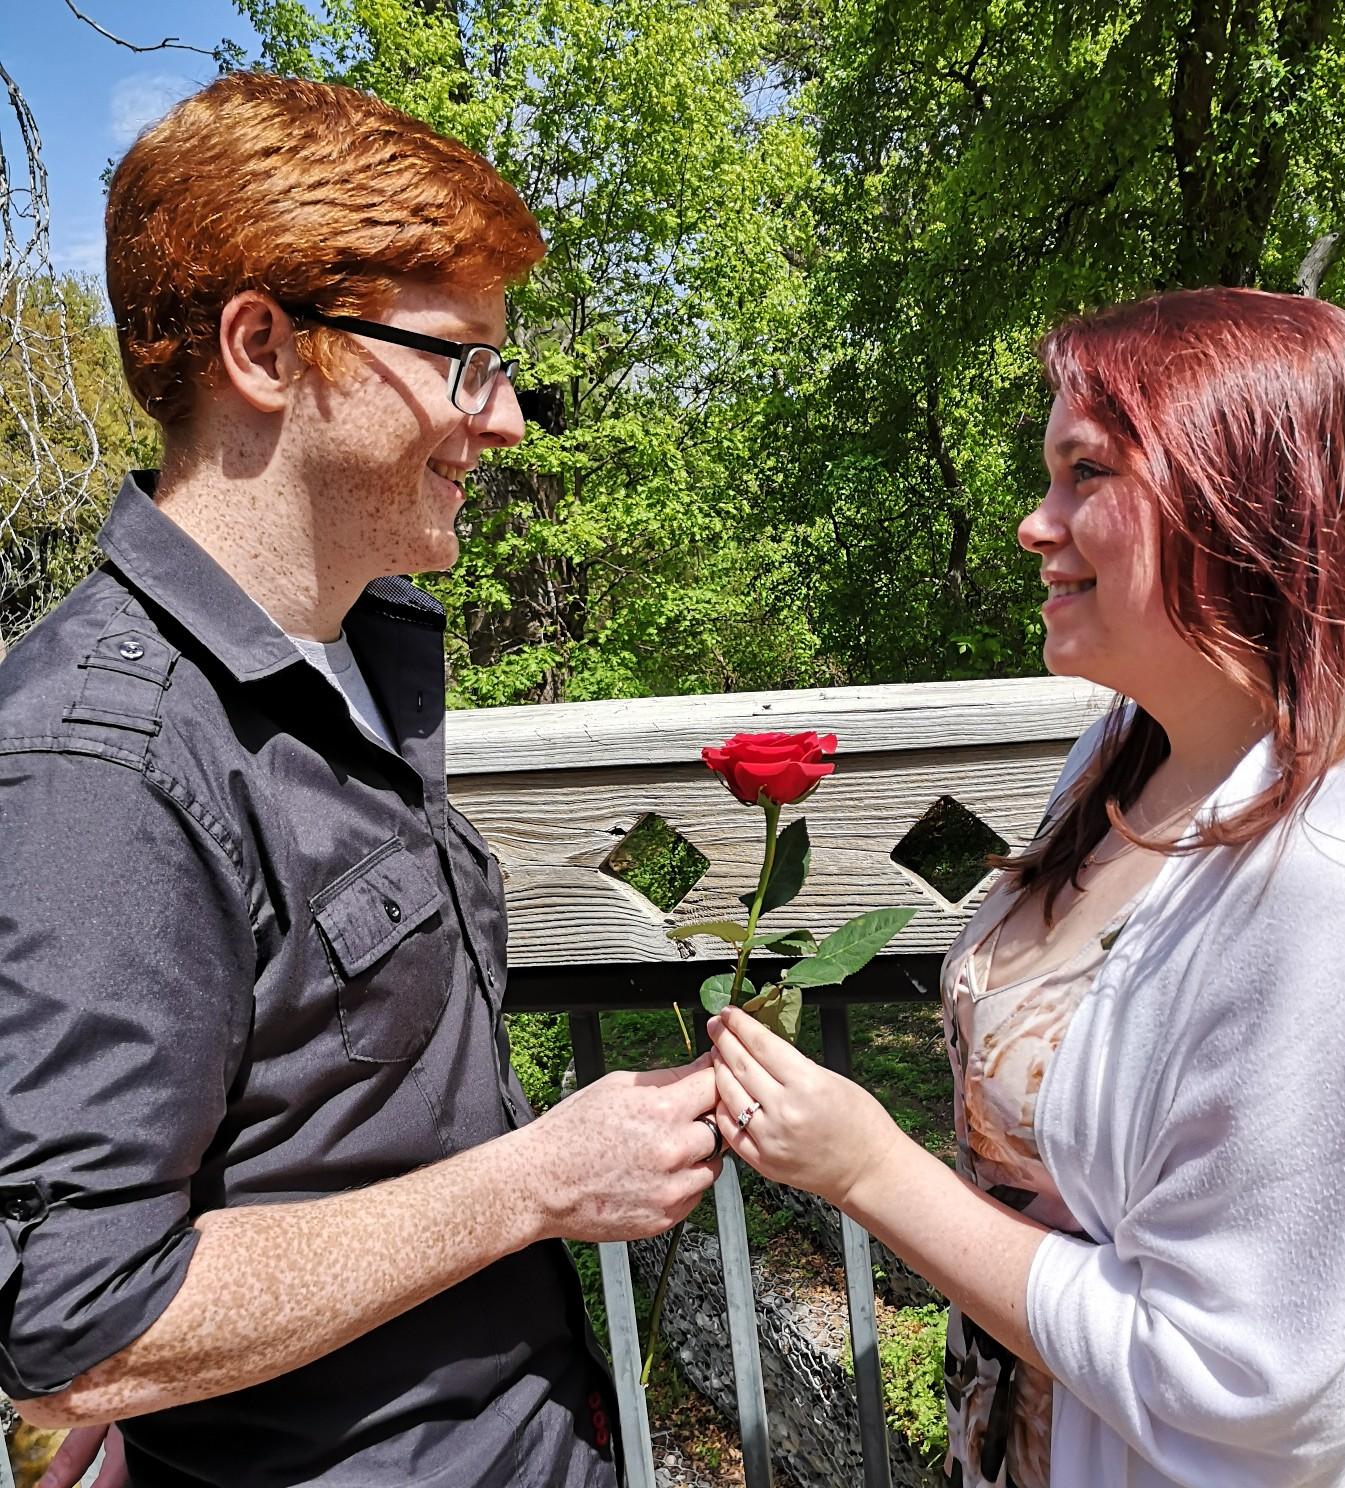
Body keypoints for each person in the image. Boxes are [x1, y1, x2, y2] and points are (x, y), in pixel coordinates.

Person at [0, 71, 723, 1488]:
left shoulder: (345, 656)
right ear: (264, 348)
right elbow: (81, 1328)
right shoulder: (101, 766)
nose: (505, 421)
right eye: (462, 361)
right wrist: (540, 1182)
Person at [707, 288, 1345, 1487]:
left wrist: (868, 1171)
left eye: (1087, 474)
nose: (1035, 524)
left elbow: (1241, 1383)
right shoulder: (1125, 752)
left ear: (1249, 502)